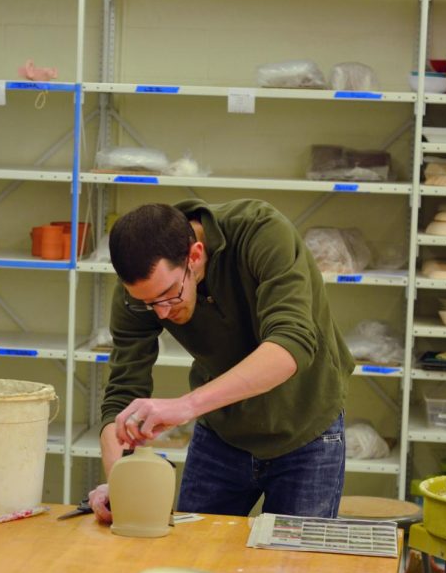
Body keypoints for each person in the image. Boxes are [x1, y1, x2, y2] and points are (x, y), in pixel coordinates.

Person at [88, 199, 354, 523]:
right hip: (222, 433)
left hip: (305, 428)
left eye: (170, 294)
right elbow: (121, 394)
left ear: (195, 255)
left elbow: (291, 344)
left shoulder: (261, 233)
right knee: (194, 559)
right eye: (148, 303)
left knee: (293, 569)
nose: (161, 312)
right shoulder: (143, 289)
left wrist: (186, 406)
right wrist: (120, 481)